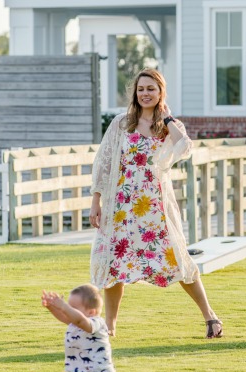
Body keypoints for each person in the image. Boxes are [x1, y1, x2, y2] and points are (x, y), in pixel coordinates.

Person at [89, 68, 222, 338]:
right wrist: (96, 201)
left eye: (151, 89)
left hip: (156, 209)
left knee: (179, 261)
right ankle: (110, 327)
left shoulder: (169, 127)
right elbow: (102, 163)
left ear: (161, 92)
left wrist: (168, 117)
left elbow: (184, 147)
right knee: (116, 263)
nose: (145, 94)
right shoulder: (120, 124)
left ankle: (210, 317)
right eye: (141, 89)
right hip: (122, 208)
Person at [28, 284, 117, 372]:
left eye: (73, 308)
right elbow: (66, 318)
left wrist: (63, 306)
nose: (68, 310)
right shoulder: (77, 321)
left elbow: (80, 320)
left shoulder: (97, 323)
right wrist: (51, 307)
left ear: (91, 312)